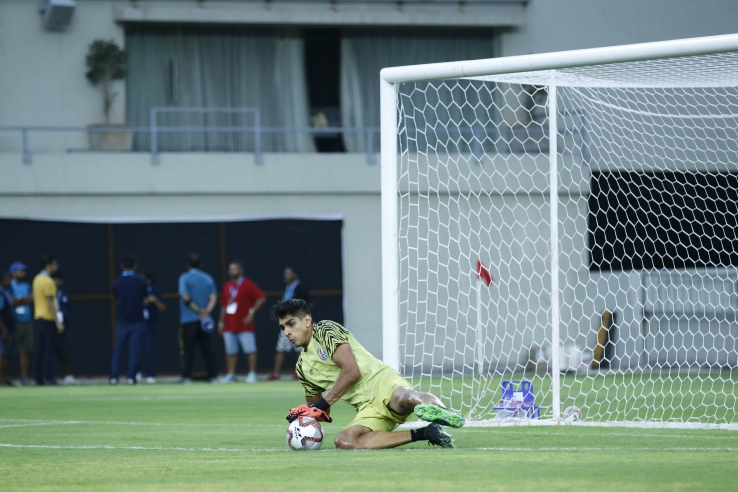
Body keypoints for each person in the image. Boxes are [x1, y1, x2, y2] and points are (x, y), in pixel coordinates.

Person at [272, 299, 465, 450]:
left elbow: (351, 372)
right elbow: (321, 410)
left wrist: (320, 405)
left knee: (404, 397)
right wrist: (306, 416)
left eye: (291, 324)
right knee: (345, 442)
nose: (287, 332)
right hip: (367, 408)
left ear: (307, 320)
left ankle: (441, 410)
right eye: (283, 327)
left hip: (380, 381)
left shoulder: (325, 331)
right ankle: (426, 433)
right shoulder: (302, 368)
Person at [217, 261, 266, 383]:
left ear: (241, 271)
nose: (232, 271)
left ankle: (252, 374)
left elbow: (261, 298)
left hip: (244, 324)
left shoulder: (248, 284)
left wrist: (251, 313)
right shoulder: (227, 285)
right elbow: (224, 304)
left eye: (235, 269)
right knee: (230, 351)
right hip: (229, 324)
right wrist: (221, 322)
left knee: (250, 350)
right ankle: (231, 374)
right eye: (230, 269)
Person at [178, 253, 218, 383]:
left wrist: (198, 310)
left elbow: (185, 296)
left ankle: (186, 377)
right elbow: (213, 297)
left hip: (188, 320)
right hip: (204, 321)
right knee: (207, 349)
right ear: (201, 265)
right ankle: (213, 376)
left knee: (187, 350)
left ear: (187, 264)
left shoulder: (184, 277)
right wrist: (206, 311)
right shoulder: (208, 278)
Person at [267, 266, 312, 381]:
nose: (285, 275)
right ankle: (276, 373)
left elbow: (310, 305)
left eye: (288, 273)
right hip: (287, 324)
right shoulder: (287, 288)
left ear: (295, 275)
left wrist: (298, 313)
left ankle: (299, 372)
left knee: (300, 348)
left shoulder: (301, 288)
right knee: (281, 347)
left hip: (298, 324)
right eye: (285, 273)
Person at [110, 254, 148, 385]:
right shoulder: (141, 280)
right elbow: (145, 296)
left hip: (122, 319)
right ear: (135, 265)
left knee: (118, 349)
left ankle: (114, 377)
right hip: (137, 319)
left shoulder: (116, 281)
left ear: (122, 266)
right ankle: (131, 377)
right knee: (135, 350)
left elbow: (116, 297)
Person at [32, 256, 63, 386]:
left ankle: (38, 378)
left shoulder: (36, 279)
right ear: (48, 266)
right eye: (55, 264)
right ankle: (49, 377)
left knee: (39, 350)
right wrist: (58, 322)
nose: (57, 267)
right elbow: (50, 303)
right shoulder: (49, 282)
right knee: (49, 350)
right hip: (48, 318)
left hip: (38, 317)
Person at [138, 272, 166, 383]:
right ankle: (136, 373)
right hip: (138, 324)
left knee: (150, 350)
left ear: (149, 280)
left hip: (150, 325)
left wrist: (154, 300)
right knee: (136, 350)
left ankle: (150, 374)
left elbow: (163, 307)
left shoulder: (155, 291)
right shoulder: (136, 290)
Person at [52, 272, 78, 385]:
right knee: (49, 352)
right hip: (51, 326)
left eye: (61, 280)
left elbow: (69, 310)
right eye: (57, 279)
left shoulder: (65, 294)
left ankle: (68, 376)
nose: (59, 282)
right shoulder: (49, 294)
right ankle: (48, 376)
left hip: (64, 327)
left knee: (66, 352)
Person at [10, 262, 34, 385]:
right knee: (7, 352)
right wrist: (23, 300)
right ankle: (4, 378)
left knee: (25, 350)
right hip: (14, 323)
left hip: (26, 322)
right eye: (20, 270)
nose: (23, 273)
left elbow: (31, 298)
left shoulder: (27, 285)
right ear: (13, 273)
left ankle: (24, 377)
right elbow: (11, 301)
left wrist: (19, 300)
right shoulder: (9, 285)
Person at [0, 272, 18, 386]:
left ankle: (4, 378)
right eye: (8, 279)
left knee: (8, 355)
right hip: (4, 330)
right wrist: (4, 329)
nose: (10, 281)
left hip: (10, 328)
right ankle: (1, 378)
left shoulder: (5, 292)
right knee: (2, 355)